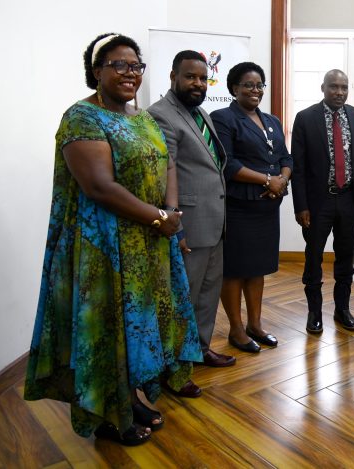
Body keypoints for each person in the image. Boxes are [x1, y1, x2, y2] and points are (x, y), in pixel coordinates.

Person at [24, 33, 202, 446]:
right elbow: (99, 187)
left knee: (138, 328)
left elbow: (168, 164)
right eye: (118, 65)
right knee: (108, 327)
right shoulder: (82, 118)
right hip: (103, 246)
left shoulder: (142, 118)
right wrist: (160, 218)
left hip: (150, 242)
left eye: (136, 66)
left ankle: (131, 397)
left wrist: (171, 213)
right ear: (96, 71)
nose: (129, 73)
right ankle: (107, 413)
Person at [148, 50, 235, 369]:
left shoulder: (201, 113)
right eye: (190, 77)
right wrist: (176, 224)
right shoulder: (160, 115)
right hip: (187, 224)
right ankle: (173, 364)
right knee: (182, 297)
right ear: (173, 77)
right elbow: (163, 172)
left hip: (213, 222)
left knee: (208, 293)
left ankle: (199, 349)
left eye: (202, 78)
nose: (198, 83)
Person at [211, 62, 292, 353]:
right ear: (234, 88)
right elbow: (228, 163)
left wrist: (281, 180)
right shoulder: (223, 118)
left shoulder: (272, 120)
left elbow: (286, 158)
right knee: (235, 269)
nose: (255, 90)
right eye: (248, 85)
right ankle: (236, 329)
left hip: (267, 207)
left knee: (258, 268)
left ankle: (255, 325)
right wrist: (268, 180)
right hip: (239, 206)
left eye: (259, 85)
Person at [291, 69, 354, 334]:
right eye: (334, 86)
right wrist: (301, 206)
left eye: (344, 87)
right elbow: (298, 167)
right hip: (318, 203)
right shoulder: (305, 118)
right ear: (323, 88)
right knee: (313, 256)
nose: (339, 92)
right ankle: (314, 312)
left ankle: (342, 309)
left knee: (346, 257)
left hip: (349, 200)